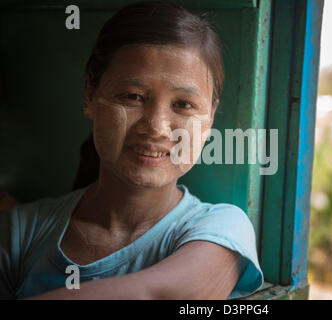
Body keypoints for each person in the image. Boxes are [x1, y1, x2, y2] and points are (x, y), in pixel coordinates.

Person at [0, 1, 263, 299]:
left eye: (183, 104)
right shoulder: (19, 231)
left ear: (211, 117)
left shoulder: (222, 229)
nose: (157, 127)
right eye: (133, 96)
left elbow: (163, 295)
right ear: (90, 95)